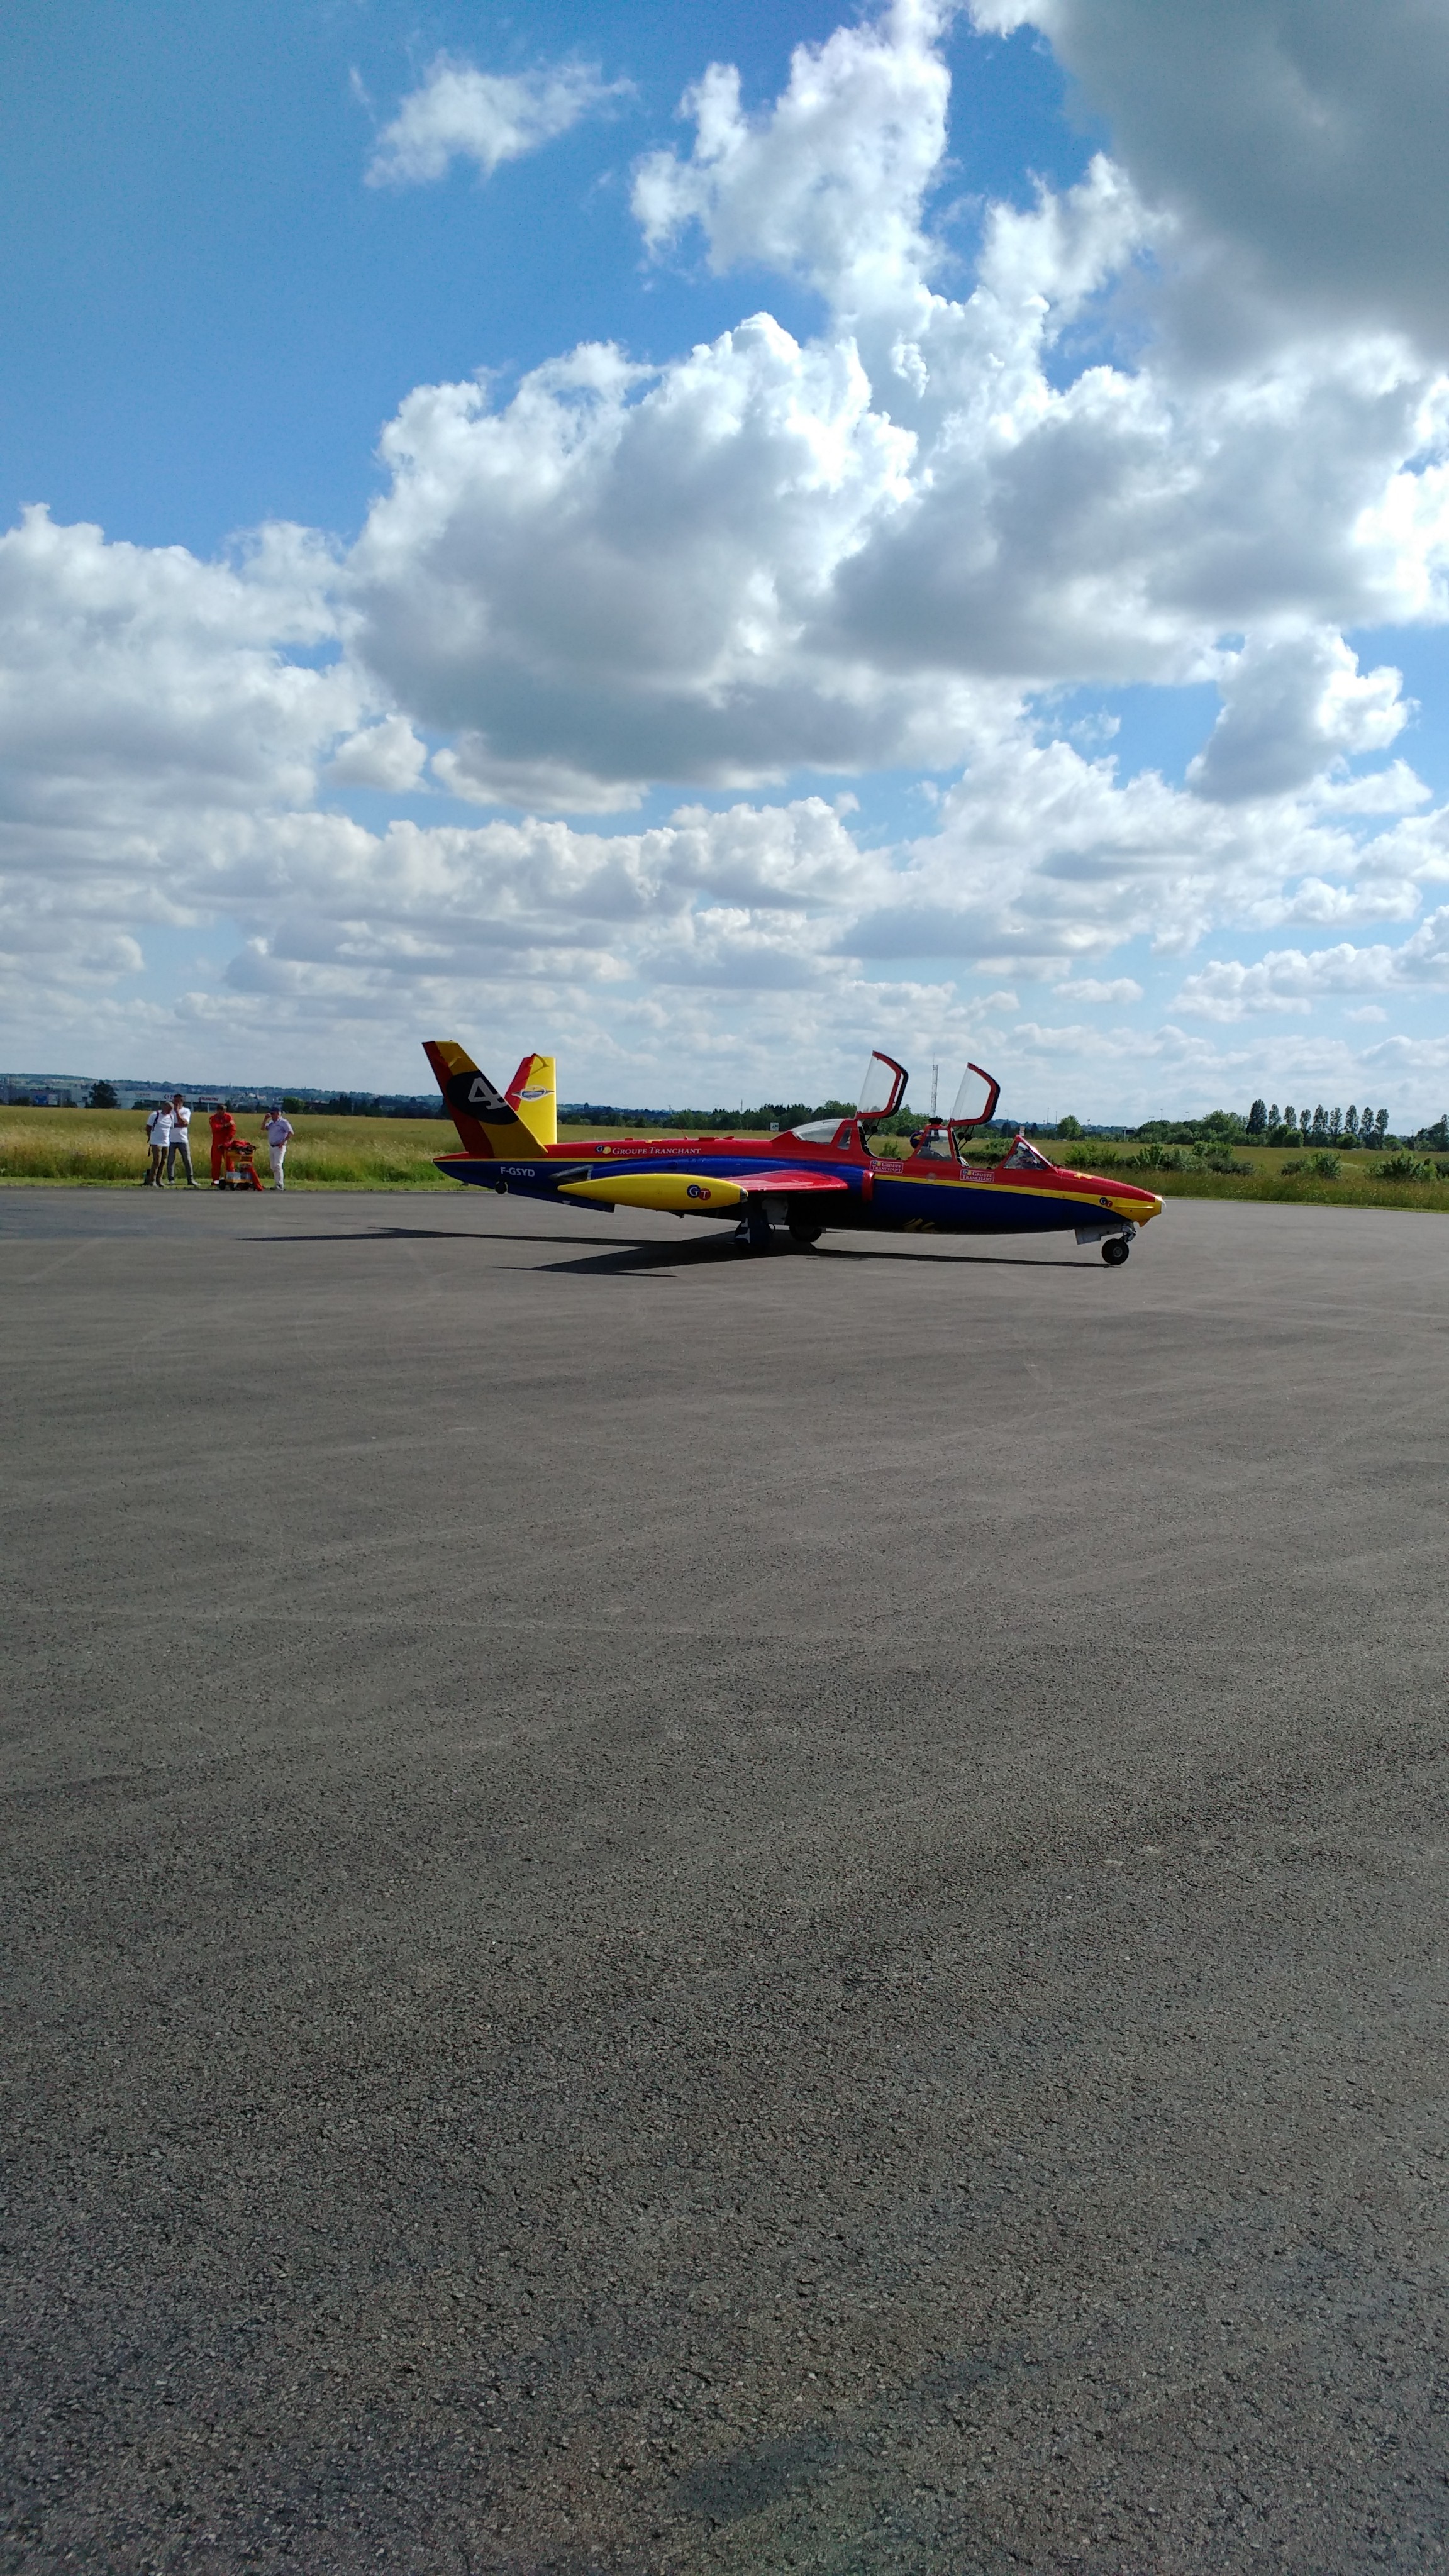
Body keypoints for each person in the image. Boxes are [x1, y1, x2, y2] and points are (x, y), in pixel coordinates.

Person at [166, 1092, 199, 1188]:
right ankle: (171, 1179)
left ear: (182, 1101)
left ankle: (190, 1179)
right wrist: (177, 1124)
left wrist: (177, 1113)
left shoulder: (186, 1111)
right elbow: (168, 1124)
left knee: (187, 1160)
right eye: (175, 1101)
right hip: (170, 1139)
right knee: (170, 1160)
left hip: (183, 1139)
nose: (176, 1103)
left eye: (179, 1101)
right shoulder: (169, 1111)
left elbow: (185, 1124)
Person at [263, 1104, 294, 1189]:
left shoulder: (283, 1122)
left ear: (278, 1114)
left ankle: (280, 1184)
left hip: (279, 1146)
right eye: (271, 1114)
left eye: (273, 1114)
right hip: (272, 1146)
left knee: (278, 1165)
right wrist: (265, 1119)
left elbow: (291, 1133)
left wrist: (283, 1142)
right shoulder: (271, 1123)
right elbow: (263, 1128)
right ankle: (277, 1183)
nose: (272, 1116)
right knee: (273, 1166)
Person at [144, 1097, 172, 1185]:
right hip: (156, 1142)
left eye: (171, 1109)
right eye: (168, 1109)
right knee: (157, 1161)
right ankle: (152, 1180)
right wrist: (150, 1137)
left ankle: (159, 1180)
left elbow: (170, 1128)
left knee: (163, 1162)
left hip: (166, 1142)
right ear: (164, 1107)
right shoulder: (155, 1115)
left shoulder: (171, 1117)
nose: (170, 1111)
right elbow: (148, 1127)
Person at [209, 1102, 236, 1185]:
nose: (222, 1114)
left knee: (229, 1162)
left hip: (227, 1142)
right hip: (217, 1142)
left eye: (223, 1112)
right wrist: (226, 1126)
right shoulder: (213, 1118)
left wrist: (229, 1138)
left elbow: (233, 1128)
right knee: (216, 1162)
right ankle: (215, 1180)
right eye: (220, 1112)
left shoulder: (229, 1117)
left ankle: (231, 1179)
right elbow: (215, 1128)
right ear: (217, 1111)